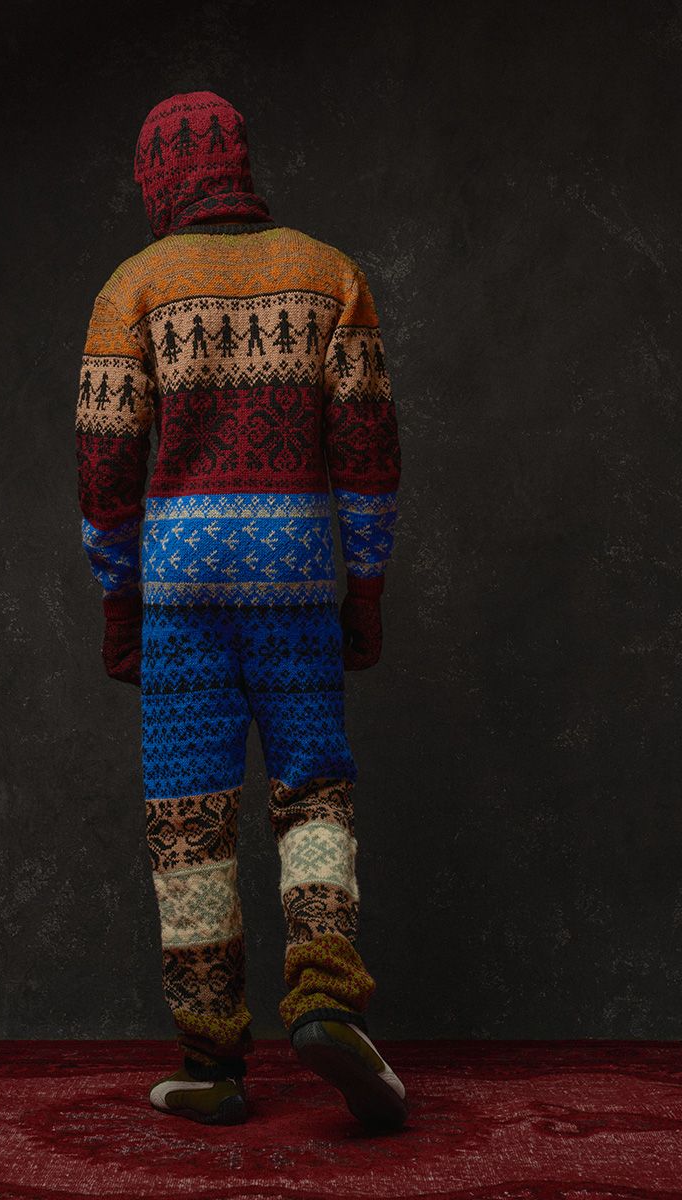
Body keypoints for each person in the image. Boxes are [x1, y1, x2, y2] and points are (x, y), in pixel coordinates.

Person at [74, 90, 406, 1130]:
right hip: (296, 581)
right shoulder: (330, 275)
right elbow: (368, 454)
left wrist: (119, 601)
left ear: (165, 176)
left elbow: (105, 470)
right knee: (313, 792)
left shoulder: (132, 287)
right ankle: (326, 998)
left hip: (181, 592)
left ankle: (214, 1062)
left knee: (191, 819)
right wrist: (364, 588)